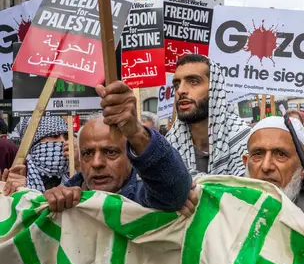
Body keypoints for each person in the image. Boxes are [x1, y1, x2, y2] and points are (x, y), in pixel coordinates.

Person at [41, 81, 193, 214]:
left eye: (110, 152)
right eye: (87, 153)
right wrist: (54, 202)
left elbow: (174, 193)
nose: (97, 163)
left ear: (131, 157)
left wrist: (136, 132)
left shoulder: (144, 199)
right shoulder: (66, 198)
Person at [166, 54, 250, 176]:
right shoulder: (169, 146)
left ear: (214, 88)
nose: (180, 90)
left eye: (193, 81)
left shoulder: (246, 141)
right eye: (177, 84)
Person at [2, 116, 70, 194]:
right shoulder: (19, 174)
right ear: (33, 144)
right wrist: (18, 192)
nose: (63, 141)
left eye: (66, 137)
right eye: (54, 136)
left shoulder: (74, 175)